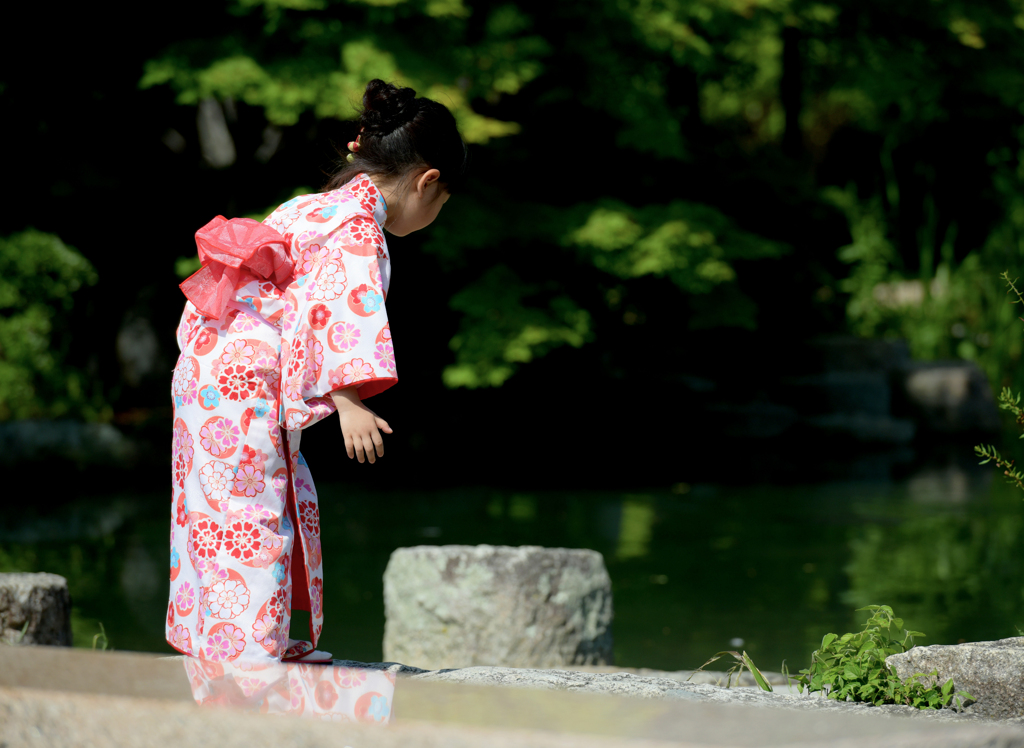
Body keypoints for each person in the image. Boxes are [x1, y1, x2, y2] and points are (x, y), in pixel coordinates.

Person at [167, 79, 466, 664]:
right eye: (441, 203)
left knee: (212, 508)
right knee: (253, 513)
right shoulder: (358, 229)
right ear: (427, 181)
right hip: (245, 378)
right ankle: (251, 660)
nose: (434, 215)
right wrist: (350, 400)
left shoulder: (309, 206)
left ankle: (222, 643)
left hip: (207, 360)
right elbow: (334, 308)